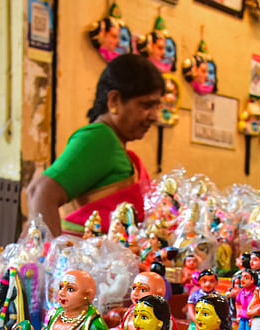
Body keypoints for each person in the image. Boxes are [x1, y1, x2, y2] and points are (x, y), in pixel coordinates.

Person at [26, 53, 164, 236]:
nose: (154, 116)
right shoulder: (100, 138)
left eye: (157, 107)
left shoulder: (115, 144)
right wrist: (50, 257)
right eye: (146, 105)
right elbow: (40, 192)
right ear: (114, 100)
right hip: (85, 260)